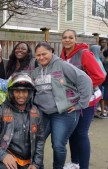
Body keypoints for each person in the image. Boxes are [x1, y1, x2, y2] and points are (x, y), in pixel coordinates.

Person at [31, 42, 92, 169]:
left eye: (44, 54)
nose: (41, 57)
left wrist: (81, 104)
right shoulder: (36, 71)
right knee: (37, 141)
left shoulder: (62, 65)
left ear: (51, 52)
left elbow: (85, 80)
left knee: (58, 144)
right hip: (44, 113)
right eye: (38, 55)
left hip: (64, 113)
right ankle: (37, 166)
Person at [60, 30, 105, 169]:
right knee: (73, 132)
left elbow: (100, 76)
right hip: (73, 101)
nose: (67, 40)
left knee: (81, 133)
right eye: (65, 37)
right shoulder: (62, 56)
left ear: (75, 39)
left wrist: (80, 87)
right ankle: (75, 163)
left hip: (88, 100)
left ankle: (84, 166)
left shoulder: (84, 54)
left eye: (70, 37)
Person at [0, 72, 44, 169]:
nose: (21, 95)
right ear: (11, 92)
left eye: (24, 91)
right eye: (17, 91)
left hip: (28, 161)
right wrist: (3, 156)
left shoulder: (36, 112)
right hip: (6, 157)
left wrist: (36, 164)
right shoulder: (0, 111)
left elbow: (40, 140)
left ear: (30, 93)